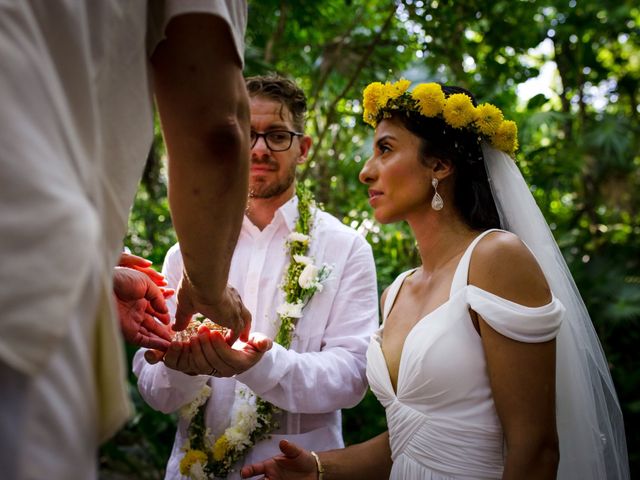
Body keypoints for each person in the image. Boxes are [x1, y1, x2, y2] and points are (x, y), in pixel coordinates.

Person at [240, 80, 630, 479]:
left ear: (440, 165)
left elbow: (535, 450)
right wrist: (320, 467)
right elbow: (414, 438)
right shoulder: (397, 292)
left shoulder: (496, 259)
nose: (365, 171)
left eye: (385, 149)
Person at [0, 2, 252, 479]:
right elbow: (216, 125)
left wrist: (101, 273)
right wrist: (209, 290)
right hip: (26, 258)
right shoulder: (183, 260)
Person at [134, 74, 380, 479]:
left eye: (277, 136)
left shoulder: (346, 248)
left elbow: (353, 377)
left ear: (303, 148)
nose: (260, 149)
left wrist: (257, 365)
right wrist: (184, 366)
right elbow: (157, 392)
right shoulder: (187, 252)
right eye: (247, 135)